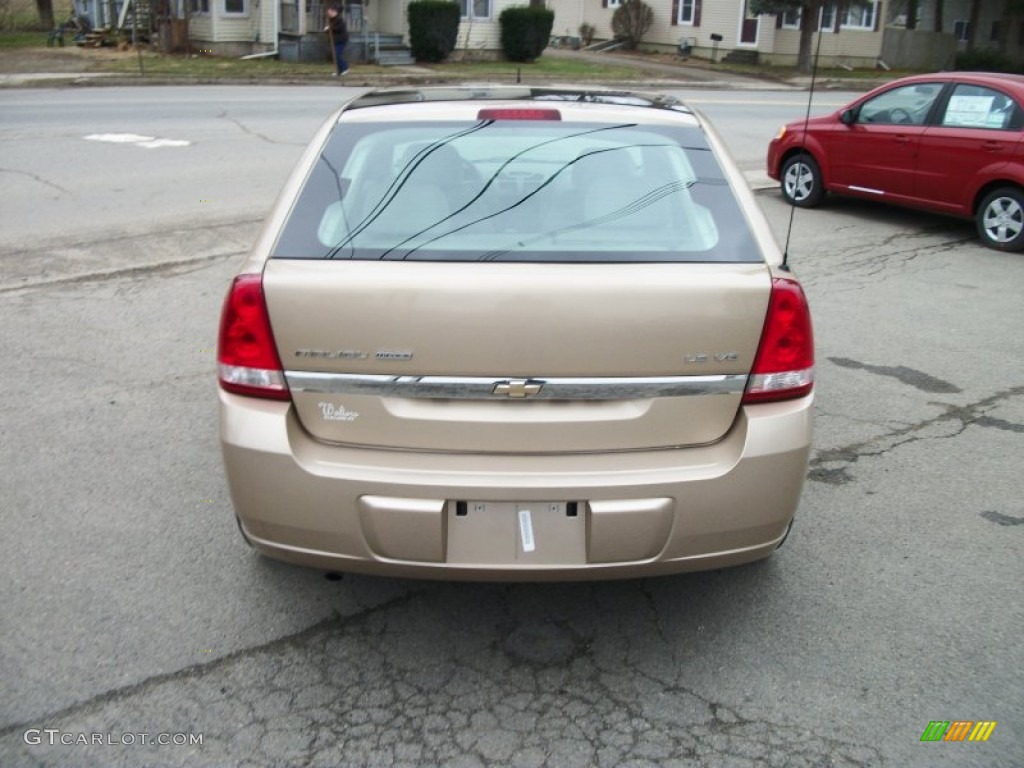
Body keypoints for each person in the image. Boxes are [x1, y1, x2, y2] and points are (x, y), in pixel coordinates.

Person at [325, 5, 349, 77]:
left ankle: (345, 68)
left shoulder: (339, 20)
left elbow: (337, 29)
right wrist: (327, 29)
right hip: (335, 41)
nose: (329, 13)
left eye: (331, 12)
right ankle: (339, 71)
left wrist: (329, 28)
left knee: (337, 54)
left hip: (341, 40)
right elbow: (331, 30)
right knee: (334, 56)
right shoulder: (331, 20)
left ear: (335, 12)